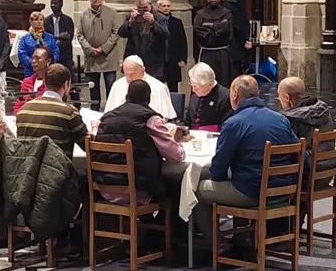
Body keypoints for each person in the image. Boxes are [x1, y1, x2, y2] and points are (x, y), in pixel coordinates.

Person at [193, 76, 301, 249]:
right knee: (238, 178)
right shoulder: (280, 119)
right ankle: (241, 238)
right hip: (282, 189)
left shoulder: (234, 123)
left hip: (250, 191)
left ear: (235, 94)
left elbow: (219, 167)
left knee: (196, 190)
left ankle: (217, 246)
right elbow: (298, 151)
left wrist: (221, 179)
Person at [94, 79, 185, 203]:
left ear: (126, 96)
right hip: (138, 188)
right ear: (149, 98)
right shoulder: (150, 119)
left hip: (104, 186)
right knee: (178, 185)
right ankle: (156, 221)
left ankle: (137, 220)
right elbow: (176, 156)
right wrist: (177, 142)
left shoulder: (106, 118)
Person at [16, 63, 89, 160]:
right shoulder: (69, 112)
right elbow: (88, 146)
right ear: (66, 85)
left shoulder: (23, 110)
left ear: (45, 83)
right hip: (57, 172)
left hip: (26, 172)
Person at [76, 0, 120, 110]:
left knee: (110, 85)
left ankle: (111, 110)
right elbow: (80, 35)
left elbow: (116, 33)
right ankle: (94, 110)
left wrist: (104, 48)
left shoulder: (112, 13)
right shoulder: (83, 15)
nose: (96, 0)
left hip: (108, 56)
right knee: (93, 87)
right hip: (92, 57)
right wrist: (89, 49)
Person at [104, 55, 177, 120]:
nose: (129, 78)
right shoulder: (117, 85)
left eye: (133, 74)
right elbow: (109, 113)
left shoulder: (158, 87)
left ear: (143, 69)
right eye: (126, 74)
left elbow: (163, 117)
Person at [118, 0, 169, 81]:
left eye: (145, 8)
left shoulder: (160, 17)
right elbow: (121, 33)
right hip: (135, 59)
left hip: (153, 60)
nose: (143, 11)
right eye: (140, 8)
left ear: (150, 5)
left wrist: (153, 22)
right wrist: (130, 22)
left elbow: (165, 34)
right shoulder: (131, 16)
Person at [193, 0, 234, 84]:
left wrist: (212, 26)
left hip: (222, 51)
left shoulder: (226, 13)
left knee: (223, 79)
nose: (212, 0)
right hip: (207, 51)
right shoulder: (200, 14)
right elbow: (198, 27)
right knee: (204, 78)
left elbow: (226, 28)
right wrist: (216, 28)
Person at [216, 0, 250, 82]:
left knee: (233, 73)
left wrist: (242, 41)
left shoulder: (227, 7)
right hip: (239, 41)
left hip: (233, 43)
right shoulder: (236, 2)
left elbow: (235, 25)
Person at [183, 62, 232, 132]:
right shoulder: (195, 95)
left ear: (210, 84)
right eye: (192, 86)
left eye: (196, 87)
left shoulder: (225, 96)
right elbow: (188, 121)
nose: (193, 90)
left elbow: (227, 126)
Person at [156, 0, 188, 92]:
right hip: (158, 60)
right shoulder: (154, 22)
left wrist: (183, 58)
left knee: (173, 87)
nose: (166, 8)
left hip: (173, 59)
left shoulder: (176, 22)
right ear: (158, 8)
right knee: (158, 87)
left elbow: (182, 41)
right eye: (163, 6)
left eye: (168, 6)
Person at [18, 11, 60, 77]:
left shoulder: (50, 37)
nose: (39, 22)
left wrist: (49, 63)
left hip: (48, 71)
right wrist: (36, 64)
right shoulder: (25, 38)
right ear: (30, 22)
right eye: (36, 19)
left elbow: (56, 52)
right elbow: (22, 55)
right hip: (31, 72)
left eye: (41, 19)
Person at [13, 47, 51, 115]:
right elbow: (19, 105)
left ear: (48, 61)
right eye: (32, 58)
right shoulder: (26, 81)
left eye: (37, 58)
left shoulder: (52, 82)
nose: (33, 61)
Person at [44, 0, 75, 70]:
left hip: (65, 54)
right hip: (51, 54)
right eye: (51, 3)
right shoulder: (47, 20)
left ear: (61, 4)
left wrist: (57, 46)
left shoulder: (68, 20)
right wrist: (58, 38)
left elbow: (69, 37)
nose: (53, 5)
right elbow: (46, 36)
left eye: (55, 3)